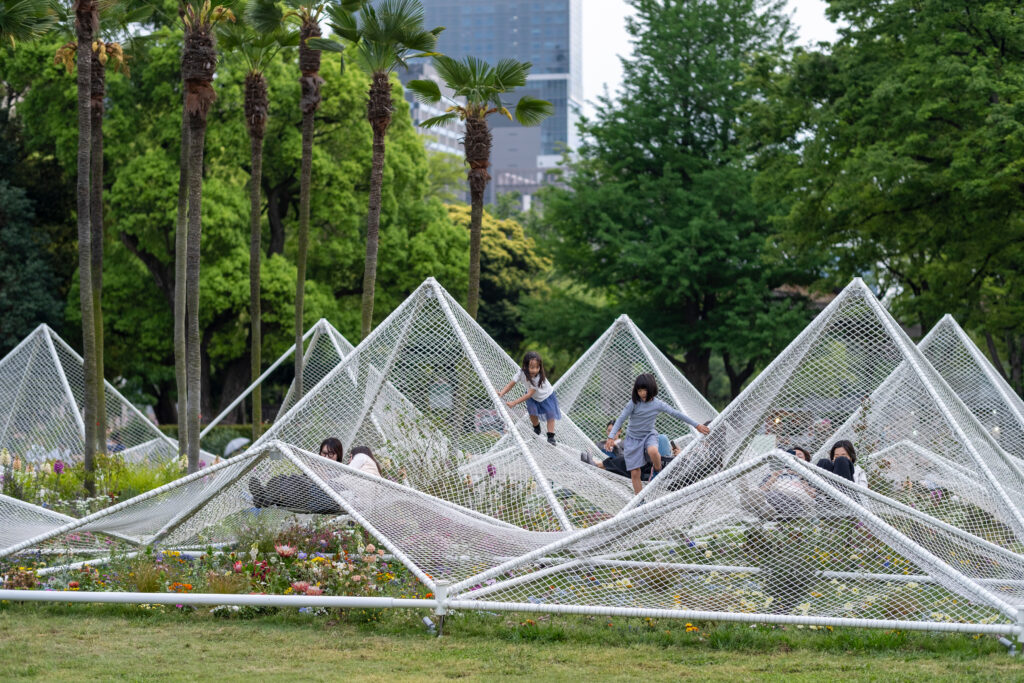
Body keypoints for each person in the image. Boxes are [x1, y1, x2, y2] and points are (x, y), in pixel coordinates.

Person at [606, 374, 710, 495]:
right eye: (639, 390)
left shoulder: (658, 404)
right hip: (633, 439)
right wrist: (611, 437)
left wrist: (696, 425)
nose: (642, 393)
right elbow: (620, 419)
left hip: (649, 435)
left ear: (651, 389)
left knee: (653, 451)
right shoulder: (633, 403)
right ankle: (640, 501)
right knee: (635, 472)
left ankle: (656, 470)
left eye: (644, 390)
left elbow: (676, 413)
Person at [247, 437, 344, 513]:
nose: (326, 457)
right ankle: (263, 496)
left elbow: (338, 488)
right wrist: (310, 469)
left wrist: (320, 473)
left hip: (320, 500)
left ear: (338, 455)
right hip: (301, 495)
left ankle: (263, 498)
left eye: (330, 454)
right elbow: (305, 479)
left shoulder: (341, 471)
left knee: (294, 481)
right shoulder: (317, 464)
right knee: (281, 479)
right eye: (324, 453)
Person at [498, 351, 561, 445]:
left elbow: (529, 394)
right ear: (525, 366)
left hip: (546, 396)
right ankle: (537, 428)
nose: (535, 370)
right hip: (533, 397)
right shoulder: (521, 373)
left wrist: (514, 402)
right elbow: (510, 385)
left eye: (537, 367)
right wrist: (501, 393)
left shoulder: (538, 378)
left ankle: (551, 436)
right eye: (532, 367)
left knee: (550, 415)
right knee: (532, 413)